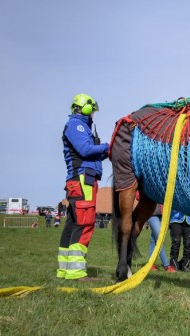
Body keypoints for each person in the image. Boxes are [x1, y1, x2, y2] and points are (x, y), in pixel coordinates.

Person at [57, 93, 109, 281]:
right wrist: (106, 146)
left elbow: (90, 154)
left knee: (73, 223)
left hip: (78, 179)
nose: (93, 114)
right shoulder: (76, 125)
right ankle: (76, 272)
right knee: (84, 222)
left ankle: (65, 270)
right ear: (86, 108)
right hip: (82, 180)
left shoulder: (81, 126)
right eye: (92, 110)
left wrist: (108, 151)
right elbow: (86, 150)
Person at [146, 205, 174, 272]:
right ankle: (166, 265)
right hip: (152, 213)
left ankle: (151, 264)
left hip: (162, 214)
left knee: (154, 240)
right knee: (160, 239)